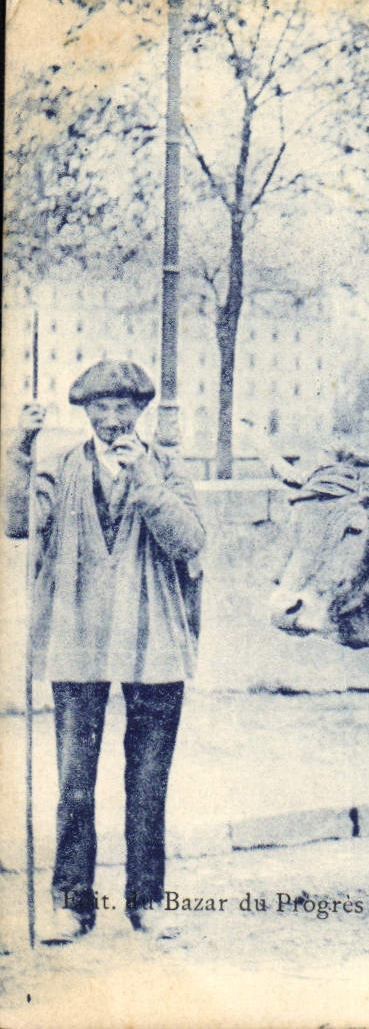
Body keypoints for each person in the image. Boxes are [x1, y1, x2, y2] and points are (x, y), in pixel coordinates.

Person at [4, 360, 205, 942]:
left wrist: (144, 479)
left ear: (140, 412)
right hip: (79, 639)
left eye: (124, 408)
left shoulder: (166, 466)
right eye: (102, 408)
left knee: (147, 782)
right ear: (86, 411)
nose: (113, 420)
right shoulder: (61, 467)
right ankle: (72, 904)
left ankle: (147, 901)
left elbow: (190, 539)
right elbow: (19, 525)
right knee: (75, 782)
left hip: (154, 640)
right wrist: (19, 450)